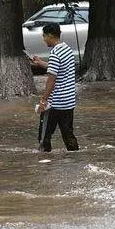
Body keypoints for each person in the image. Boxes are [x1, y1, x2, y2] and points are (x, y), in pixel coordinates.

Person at [30, 24, 79, 152]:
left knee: (43, 138)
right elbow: (59, 68)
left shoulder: (55, 53)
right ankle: (75, 160)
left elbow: (51, 80)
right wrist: (40, 63)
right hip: (68, 103)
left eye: (44, 36)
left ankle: (46, 166)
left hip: (55, 104)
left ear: (50, 35)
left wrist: (43, 100)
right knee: (69, 137)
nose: (43, 39)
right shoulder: (67, 49)